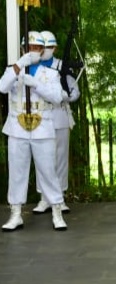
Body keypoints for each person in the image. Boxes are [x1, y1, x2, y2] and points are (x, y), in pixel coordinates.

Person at [0, 31, 67, 231]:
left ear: (42, 50)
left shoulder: (51, 73)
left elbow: (56, 97)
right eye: (29, 48)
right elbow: (2, 87)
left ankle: (57, 210)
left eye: (37, 48)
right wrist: (19, 65)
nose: (33, 51)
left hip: (42, 127)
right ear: (23, 50)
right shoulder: (13, 70)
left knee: (48, 171)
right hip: (17, 127)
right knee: (17, 172)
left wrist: (36, 84)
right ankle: (16, 213)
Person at [31, 30, 79, 215]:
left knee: (60, 158)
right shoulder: (32, 64)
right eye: (44, 47)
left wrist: (67, 96)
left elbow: (75, 91)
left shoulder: (62, 64)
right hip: (39, 119)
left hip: (59, 117)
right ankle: (44, 198)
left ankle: (59, 196)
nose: (47, 50)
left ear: (55, 48)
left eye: (50, 47)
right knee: (42, 159)